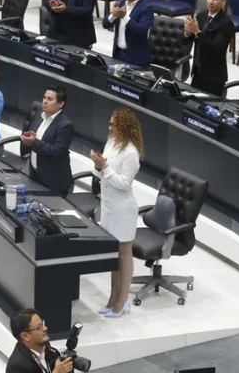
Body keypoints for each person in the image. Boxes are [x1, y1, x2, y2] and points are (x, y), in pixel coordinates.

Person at [89, 108, 142, 318]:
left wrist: (105, 168)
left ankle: (123, 299)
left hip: (123, 210)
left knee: (124, 253)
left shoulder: (131, 153)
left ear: (124, 126)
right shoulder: (111, 143)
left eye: (114, 124)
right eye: (110, 123)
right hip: (108, 207)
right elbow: (101, 173)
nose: (110, 127)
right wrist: (98, 165)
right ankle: (113, 297)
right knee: (114, 254)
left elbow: (124, 183)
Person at [21, 87, 74, 197]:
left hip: (53, 181)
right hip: (34, 175)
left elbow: (58, 152)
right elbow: (32, 139)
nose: (45, 101)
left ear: (61, 104)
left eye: (50, 99)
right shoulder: (39, 115)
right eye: (44, 98)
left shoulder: (65, 125)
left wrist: (34, 142)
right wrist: (27, 140)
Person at [184, 0, 236, 96]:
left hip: (213, 77)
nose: (211, 2)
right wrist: (188, 33)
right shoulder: (201, 17)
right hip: (197, 72)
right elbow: (188, 41)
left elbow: (217, 48)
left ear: (224, 0)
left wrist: (197, 32)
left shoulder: (226, 24)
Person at [102, 0, 155, 67]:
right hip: (118, 54)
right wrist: (113, 15)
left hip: (136, 57)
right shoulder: (121, 3)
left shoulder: (147, 8)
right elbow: (105, 25)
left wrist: (124, 17)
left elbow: (141, 30)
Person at [6, 309, 73, 373]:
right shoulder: (16, 367)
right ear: (25, 336)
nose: (45, 328)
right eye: (39, 327)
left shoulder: (47, 347)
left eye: (43, 324)